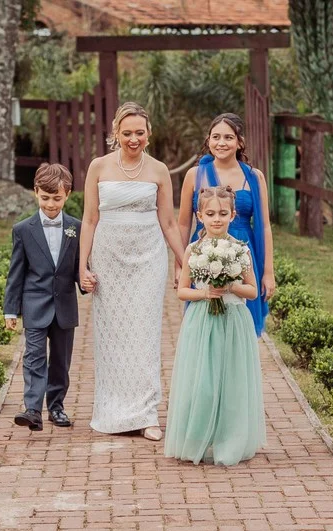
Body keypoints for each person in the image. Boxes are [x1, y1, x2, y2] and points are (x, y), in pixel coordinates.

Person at [79, 102, 186, 441]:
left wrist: (185, 261)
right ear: (116, 132)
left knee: (144, 335)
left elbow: (169, 222)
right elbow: (89, 219)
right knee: (111, 335)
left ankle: (146, 414)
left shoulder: (159, 170)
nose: (133, 139)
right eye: (127, 133)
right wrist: (82, 265)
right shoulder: (98, 166)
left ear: (149, 133)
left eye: (140, 132)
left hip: (148, 258)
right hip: (108, 257)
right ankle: (113, 411)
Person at [165, 185, 267, 465]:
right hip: (202, 321)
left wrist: (230, 284)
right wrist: (205, 293)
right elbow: (182, 291)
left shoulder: (240, 250)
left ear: (233, 215)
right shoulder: (193, 250)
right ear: (200, 216)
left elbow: (252, 291)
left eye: (223, 213)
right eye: (210, 214)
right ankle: (197, 438)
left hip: (233, 321)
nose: (217, 219)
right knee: (203, 383)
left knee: (231, 381)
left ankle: (230, 441)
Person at [177, 113, 276, 337]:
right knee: (205, 324)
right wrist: (179, 265)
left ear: (240, 142)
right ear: (208, 140)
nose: (221, 143)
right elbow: (183, 224)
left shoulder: (254, 177)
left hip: (243, 253)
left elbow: (265, 226)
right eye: (216, 137)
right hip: (204, 253)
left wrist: (268, 272)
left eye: (228, 137)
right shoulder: (194, 175)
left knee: (240, 324)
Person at [3, 163, 81, 431]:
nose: (50, 204)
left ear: (67, 194)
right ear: (35, 191)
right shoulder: (23, 229)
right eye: (45, 197)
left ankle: (56, 407)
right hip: (35, 305)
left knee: (60, 361)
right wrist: (10, 310)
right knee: (34, 357)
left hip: (65, 306)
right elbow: (16, 272)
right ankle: (33, 409)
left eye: (57, 198)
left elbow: (79, 266)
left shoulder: (76, 228)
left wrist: (87, 282)